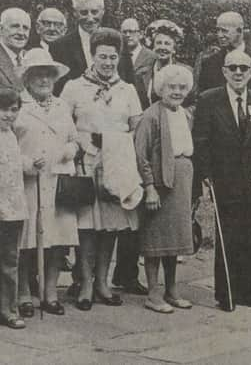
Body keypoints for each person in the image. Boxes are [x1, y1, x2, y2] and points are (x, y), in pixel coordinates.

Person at [60, 28, 144, 311]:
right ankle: (84, 283)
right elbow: (63, 124)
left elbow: (137, 129)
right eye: (102, 56)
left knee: (110, 227)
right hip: (86, 163)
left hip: (116, 166)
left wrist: (116, 145)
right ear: (92, 56)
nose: (108, 62)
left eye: (113, 57)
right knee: (86, 227)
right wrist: (82, 142)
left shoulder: (128, 90)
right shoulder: (73, 87)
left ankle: (102, 282)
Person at [193, 50, 251, 310]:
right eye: (233, 68)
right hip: (225, 181)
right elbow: (201, 141)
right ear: (224, 72)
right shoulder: (209, 100)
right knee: (227, 237)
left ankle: (249, 292)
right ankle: (226, 293)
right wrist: (207, 175)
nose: (238, 73)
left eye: (243, 68)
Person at [14, 49, 78, 317]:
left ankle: (50, 292)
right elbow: (6, 145)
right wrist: (26, 162)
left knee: (57, 239)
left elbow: (74, 139)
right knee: (26, 239)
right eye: (37, 75)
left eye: (48, 75)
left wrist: (70, 150)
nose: (43, 80)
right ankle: (24, 294)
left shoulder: (62, 106)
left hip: (59, 180)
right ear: (27, 78)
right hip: (27, 183)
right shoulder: (17, 106)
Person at [135, 64, 195, 313]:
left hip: (182, 178)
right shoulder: (151, 115)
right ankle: (153, 293)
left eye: (182, 87)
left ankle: (172, 290)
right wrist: (149, 187)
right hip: (160, 183)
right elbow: (141, 155)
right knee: (156, 238)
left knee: (176, 238)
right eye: (172, 87)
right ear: (161, 88)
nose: (177, 92)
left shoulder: (186, 114)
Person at [110, 17, 156, 295]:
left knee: (130, 213)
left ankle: (126, 273)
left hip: (130, 147)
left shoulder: (133, 69)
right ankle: (88, 277)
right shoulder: (116, 64)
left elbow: (140, 110)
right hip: (105, 146)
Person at [0, 88, 31, 329]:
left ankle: (8, 309)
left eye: (13, 110)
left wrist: (31, 163)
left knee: (10, 260)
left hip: (12, 209)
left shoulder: (11, 136)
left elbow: (17, 165)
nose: (7, 115)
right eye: (2, 110)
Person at [193, 11, 251, 95]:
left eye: (224, 31)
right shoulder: (209, 63)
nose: (219, 35)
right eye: (218, 30)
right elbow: (203, 99)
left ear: (239, 30)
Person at [51, 0, 105, 96]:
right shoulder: (60, 47)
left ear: (103, 11)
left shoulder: (118, 42)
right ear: (75, 13)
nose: (90, 18)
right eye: (84, 13)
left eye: (94, 12)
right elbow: (57, 90)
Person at [134, 19, 194, 112]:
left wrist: (182, 115)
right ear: (153, 47)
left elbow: (194, 103)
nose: (162, 47)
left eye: (167, 44)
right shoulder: (141, 74)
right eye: (159, 43)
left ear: (174, 49)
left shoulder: (185, 72)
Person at [118, 18, 156, 85]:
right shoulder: (117, 56)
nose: (128, 35)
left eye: (131, 31)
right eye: (124, 32)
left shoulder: (151, 57)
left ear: (140, 34)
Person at [0, 8, 31, 91]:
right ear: (1, 29)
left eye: (25, 28)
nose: (21, 33)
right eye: (15, 26)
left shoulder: (31, 58)